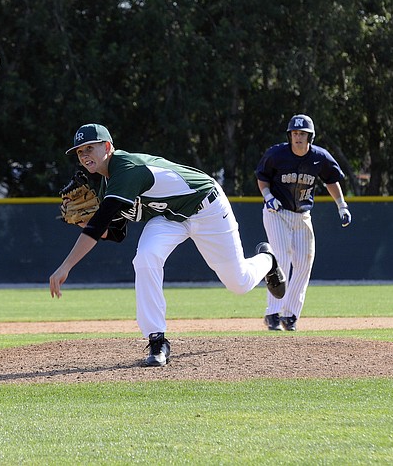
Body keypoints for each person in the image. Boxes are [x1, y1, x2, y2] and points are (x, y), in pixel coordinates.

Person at [48, 123, 287, 367]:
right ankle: (157, 340)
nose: (84, 155)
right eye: (80, 151)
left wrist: (66, 266)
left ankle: (267, 260)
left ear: (107, 146)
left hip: (207, 207)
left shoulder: (127, 169)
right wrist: (85, 223)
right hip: (169, 218)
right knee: (146, 257)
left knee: (239, 282)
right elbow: (116, 233)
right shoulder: (104, 185)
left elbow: (98, 226)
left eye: (90, 148)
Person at [255, 114, 351, 331]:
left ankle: (290, 315)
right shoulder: (277, 154)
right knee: (281, 258)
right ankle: (273, 313)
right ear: (290, 135)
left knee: (304, 262)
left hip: (302, 215)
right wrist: (268, 196)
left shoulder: (319, 157)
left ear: (310, 137)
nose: (298, 137)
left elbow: (331, 180)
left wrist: (342, 205)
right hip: (276, 212)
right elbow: (262, 177)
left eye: (302, 134)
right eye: (295, 133)